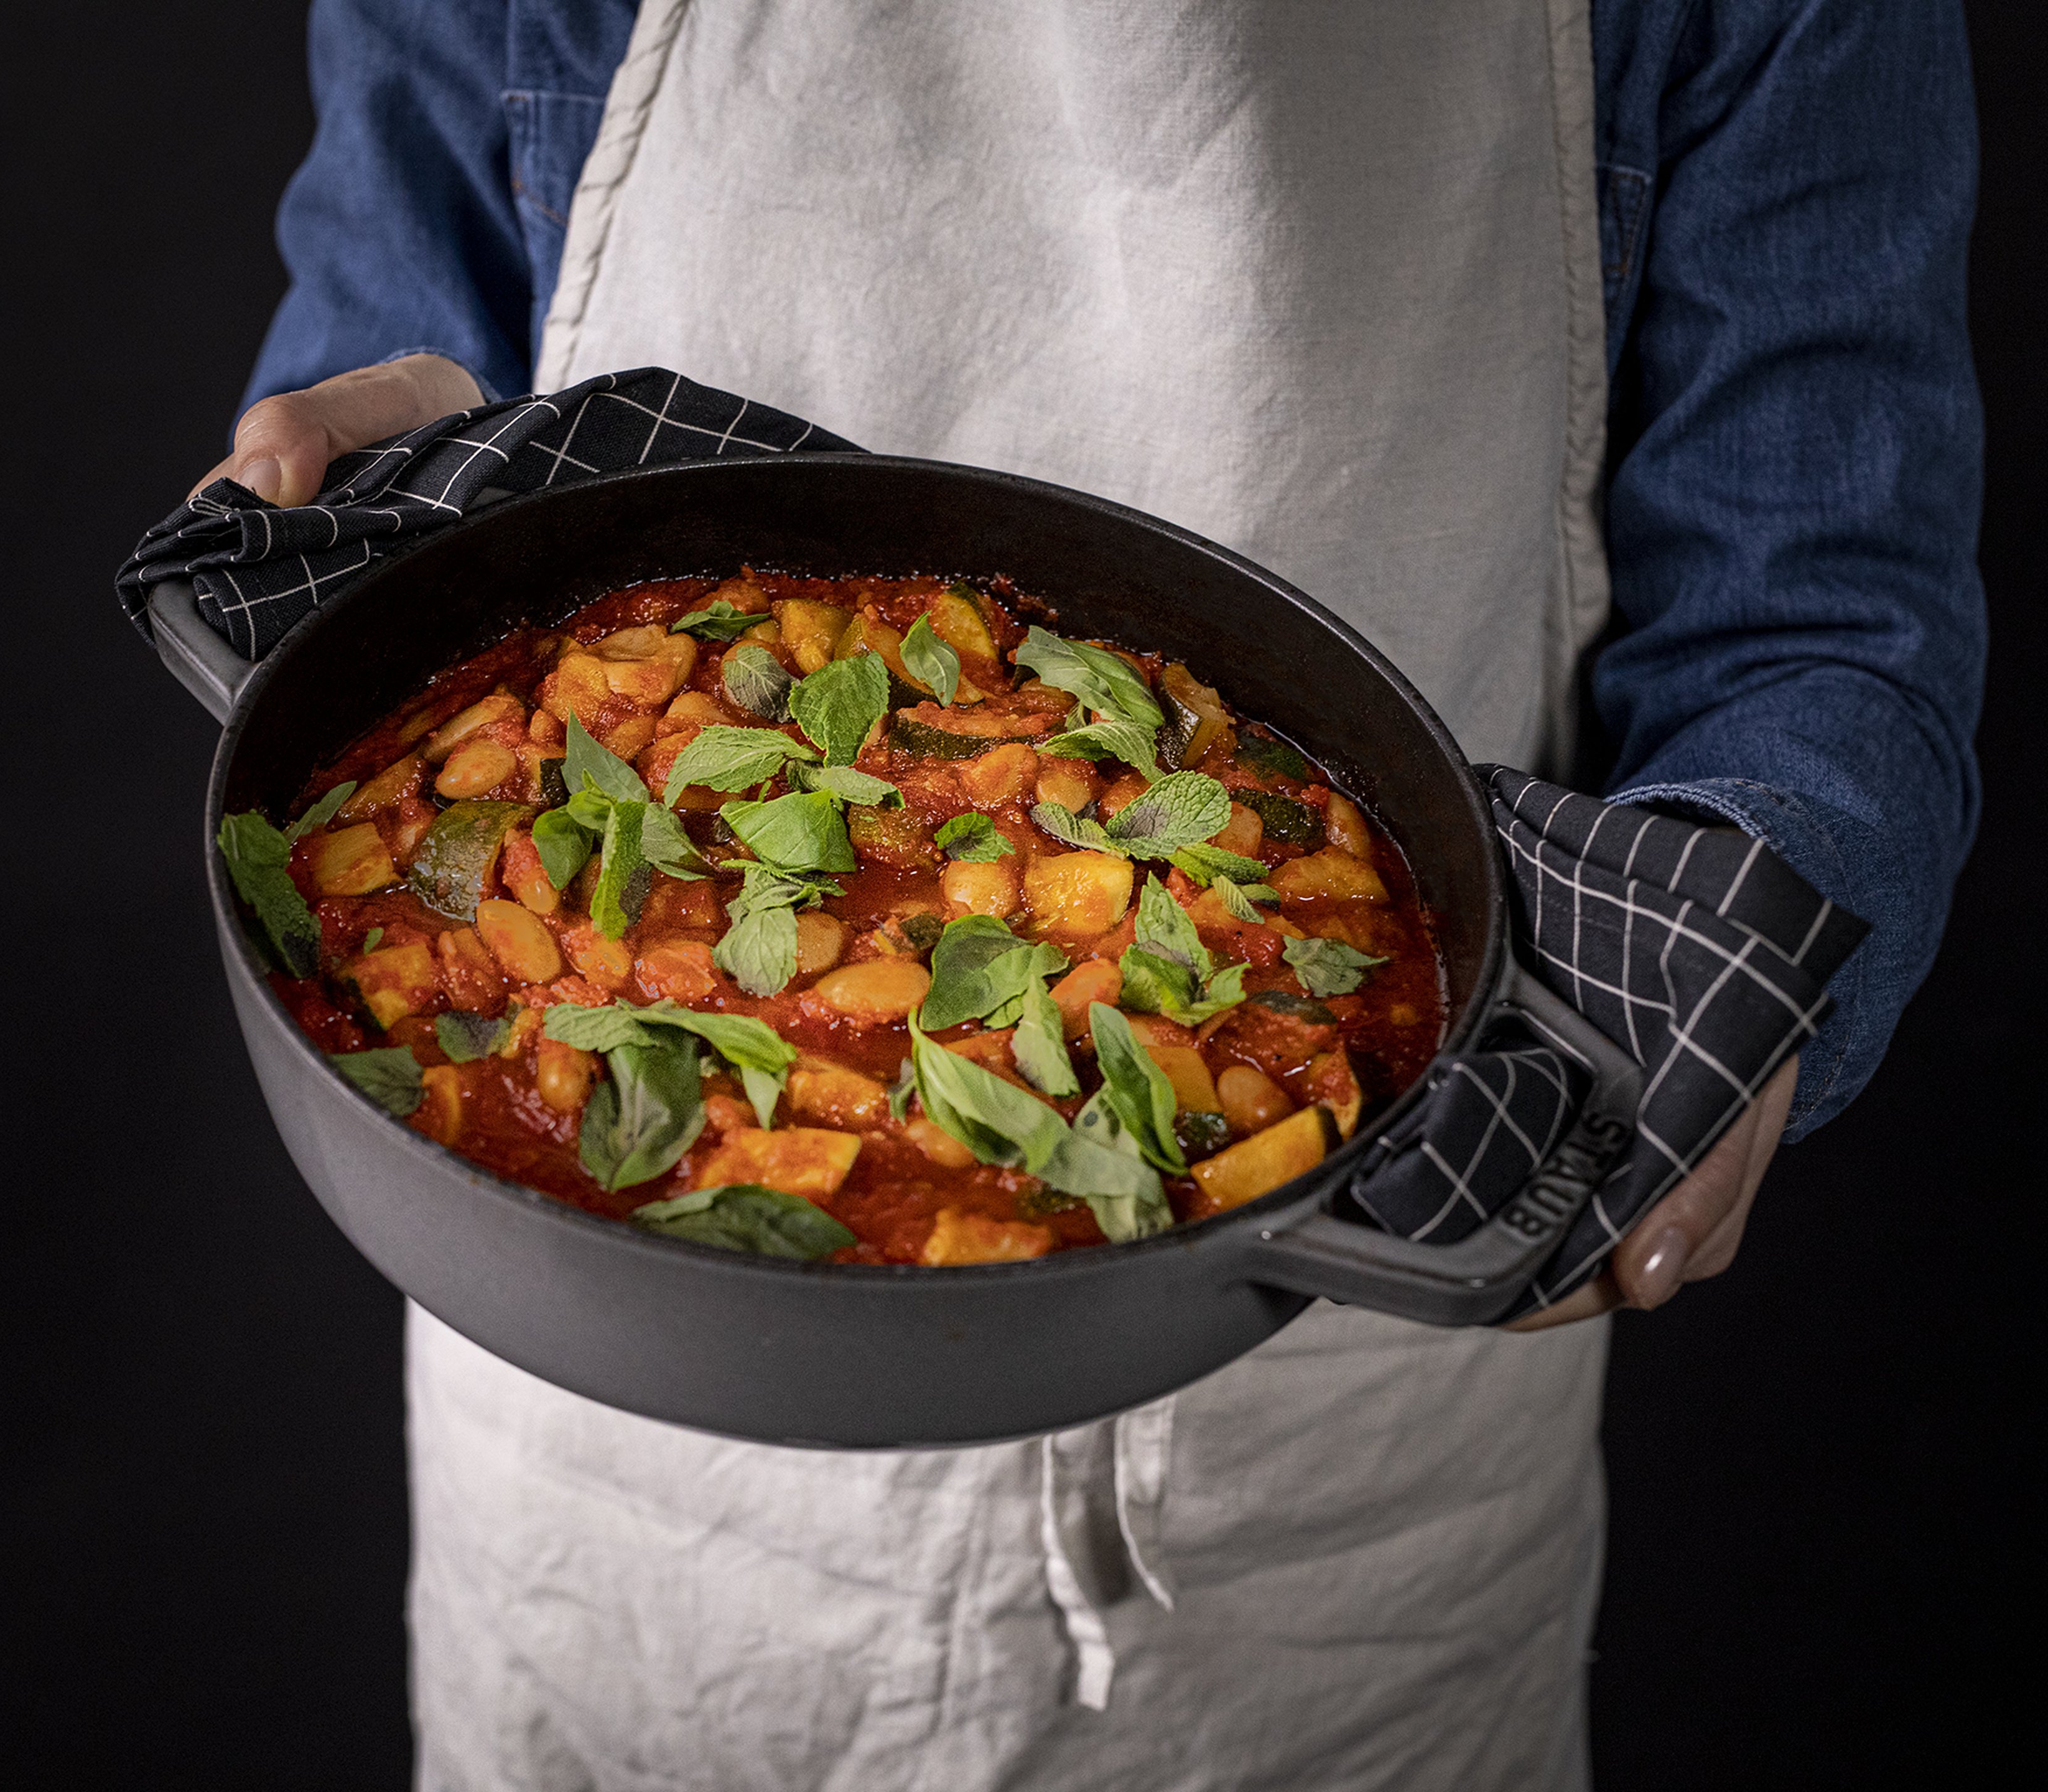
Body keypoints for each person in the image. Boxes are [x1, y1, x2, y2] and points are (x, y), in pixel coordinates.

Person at [192, 4, 1984, 1785]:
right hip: (620, 1446)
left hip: (1359, 1403)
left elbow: (1822, 613)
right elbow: (403, 308)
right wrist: (384, 467)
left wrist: (1751, 928)